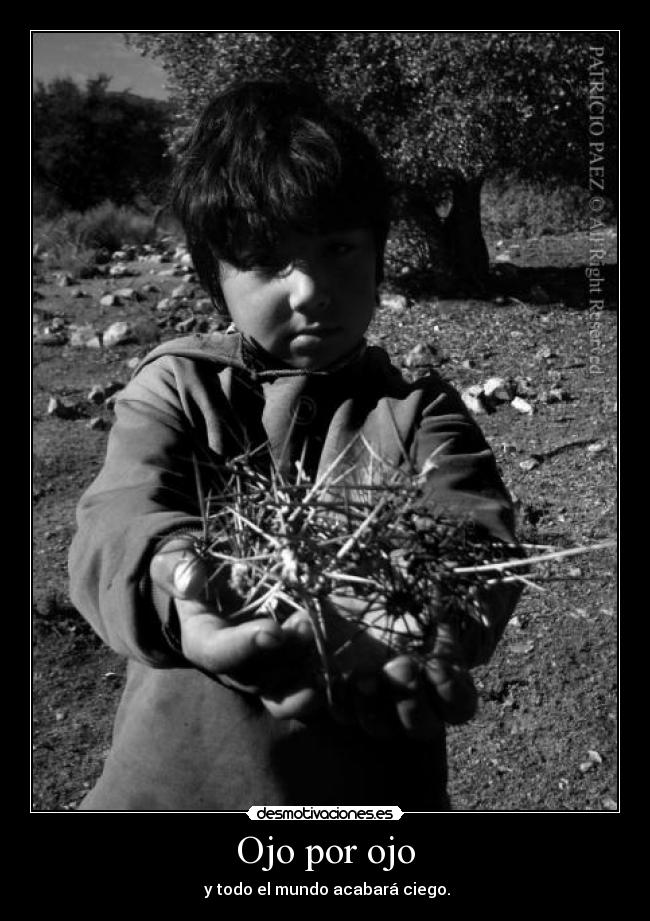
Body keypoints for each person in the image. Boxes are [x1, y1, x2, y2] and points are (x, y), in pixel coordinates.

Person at [68, 80, 521, 811]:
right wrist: (179, 580)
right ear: (213, 275)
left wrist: (433, 608)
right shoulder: (179, 387)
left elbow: (473, 527)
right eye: (269, 261)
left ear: (378, 252)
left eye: (338, 247)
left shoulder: (418, 412)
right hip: (168, 787)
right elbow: (117, 516)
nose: (310, 288)